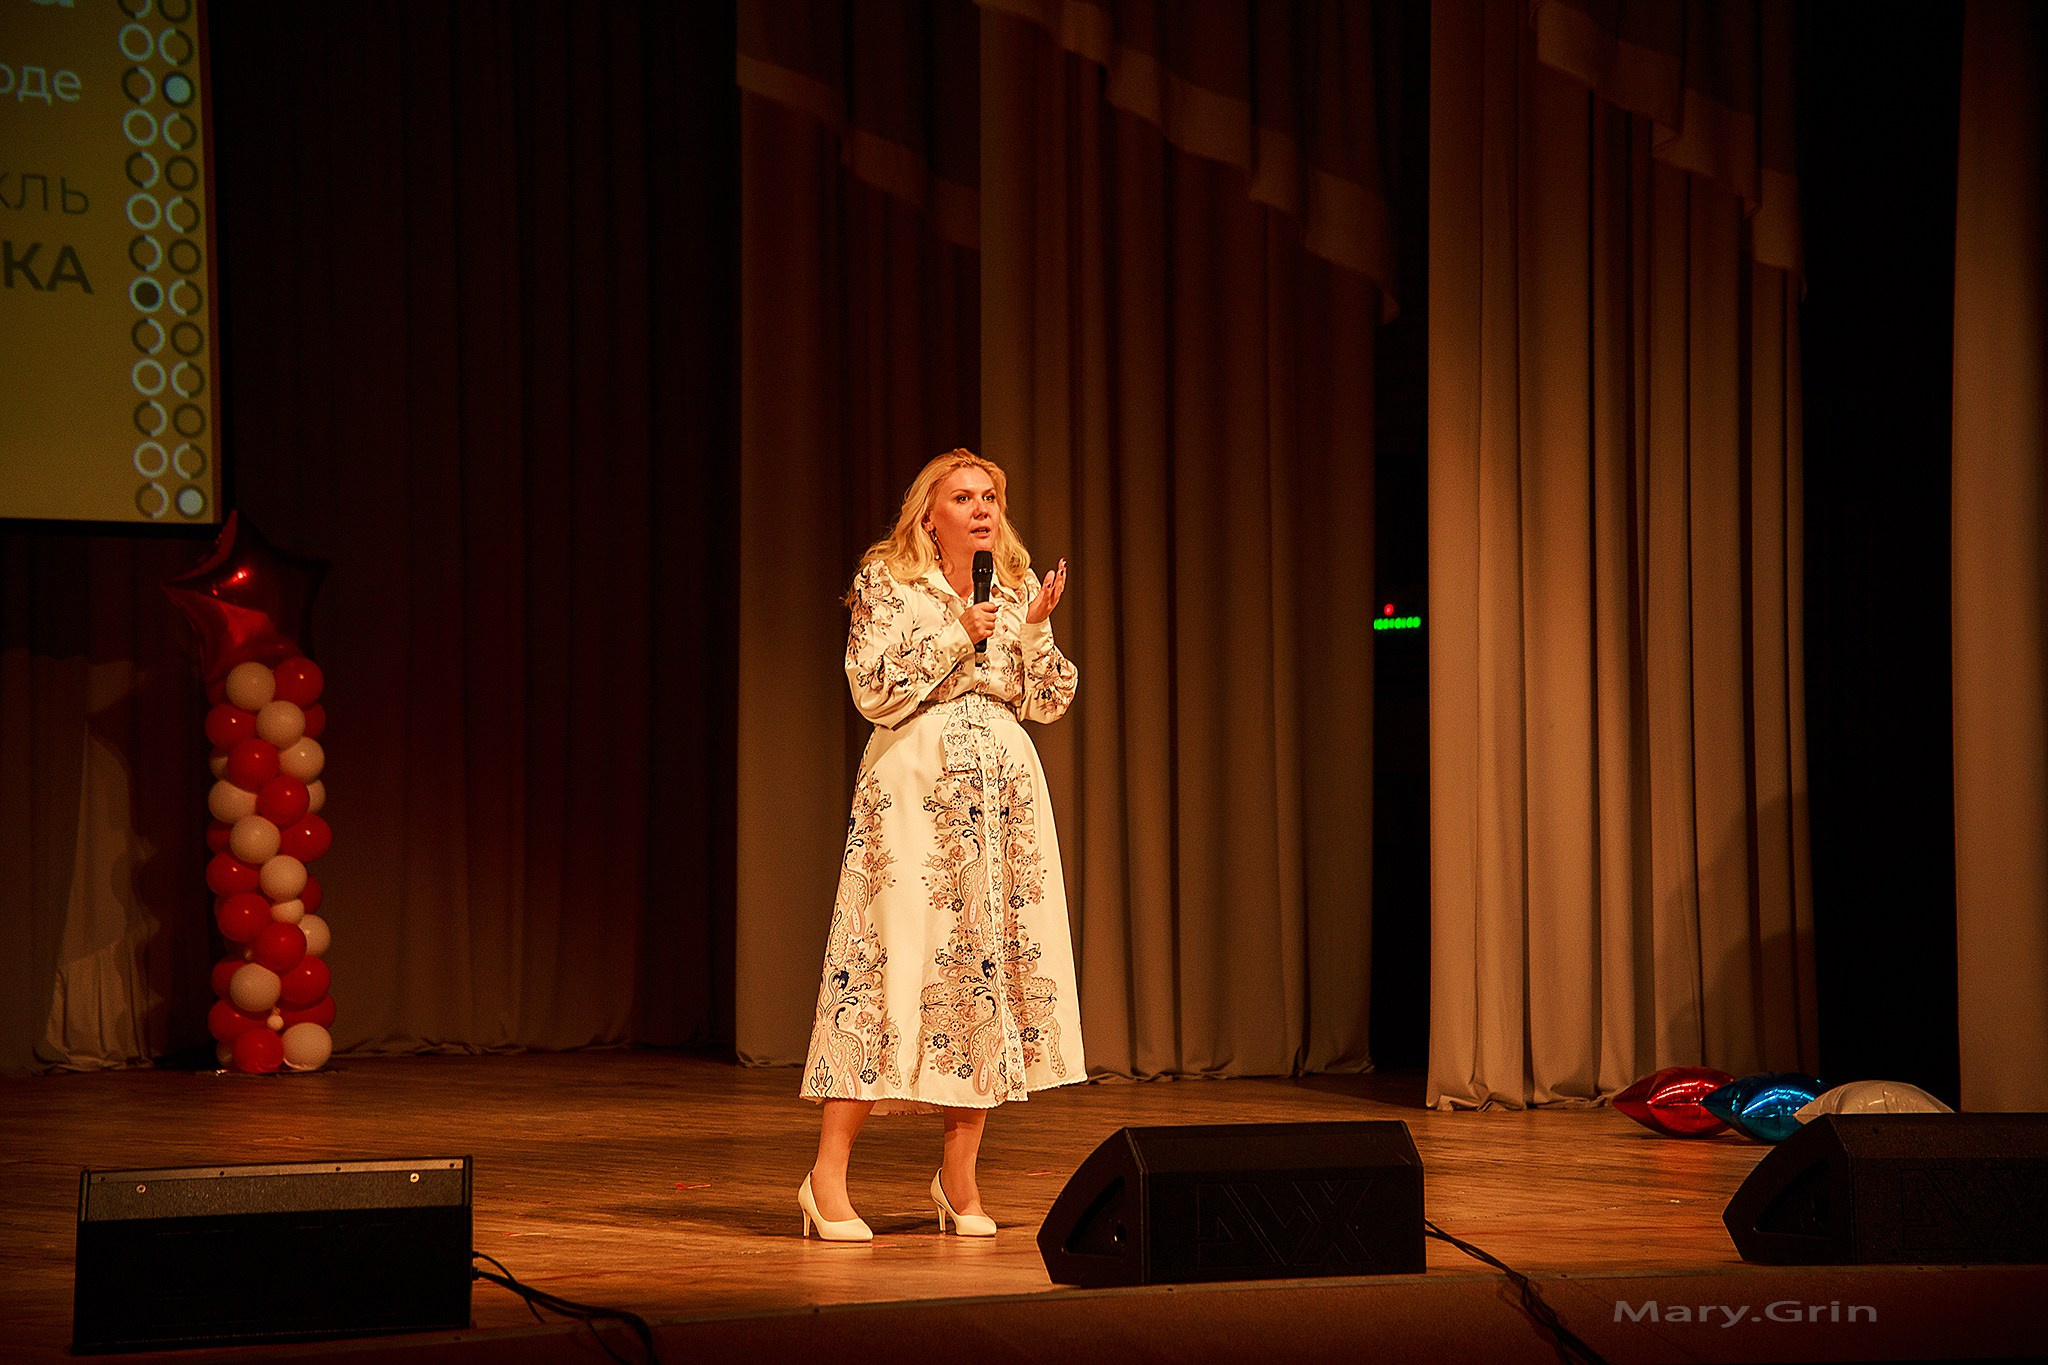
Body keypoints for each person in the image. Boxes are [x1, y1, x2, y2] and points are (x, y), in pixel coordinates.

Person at [796, 447, 1084, 1242]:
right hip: (913, 796)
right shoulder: (888, 581)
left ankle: (959, 1178)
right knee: (883, 968)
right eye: (964, 496)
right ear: (930, 514)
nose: (983, 507)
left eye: (991, 494)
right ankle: (827, 1177)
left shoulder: (1017, 582)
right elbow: (872, 689)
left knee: (979, 975)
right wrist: (958, 632)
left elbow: (1051, 699)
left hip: (999, 804)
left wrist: (1033, 633)